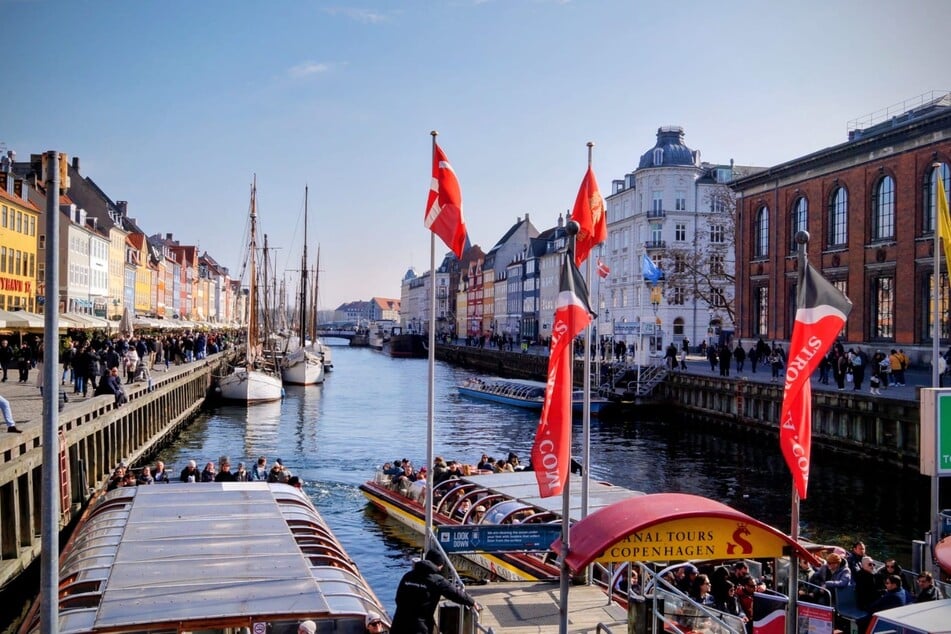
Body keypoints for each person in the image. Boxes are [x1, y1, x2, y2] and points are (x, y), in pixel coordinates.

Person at [390, 550, 480, 634]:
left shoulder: (408, 576)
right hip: (420, 627)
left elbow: (398, 599)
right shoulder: (437, 580)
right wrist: (471, 601)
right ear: (439, 565)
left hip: (398, 624)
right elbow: (455, 593)